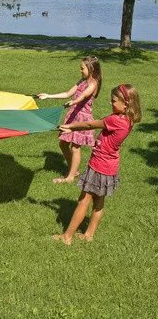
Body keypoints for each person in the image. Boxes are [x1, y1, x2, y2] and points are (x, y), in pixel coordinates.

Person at [53, 84, 142, 245]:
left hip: (99, 165)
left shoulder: (115, 120)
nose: (110, 103)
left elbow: (90, 125)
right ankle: (89, 234)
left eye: (114, 101)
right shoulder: (128, 120)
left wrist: (70, 127)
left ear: (126, 103)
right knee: (99, 201)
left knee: (84, 200)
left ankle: (67, 237)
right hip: (110, 166)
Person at [38, 56, 102, 183]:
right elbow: (67, 93)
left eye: (82, 68)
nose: (80, 71)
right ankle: (73, 169)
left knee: (75, 147)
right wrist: (48, 96)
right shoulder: (81, 81)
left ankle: (70, 177)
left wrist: (74, 102)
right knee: (63, 143)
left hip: (82, 118)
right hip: (73, 116)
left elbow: (84, 95)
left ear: (91, 68)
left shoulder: (93, 83)